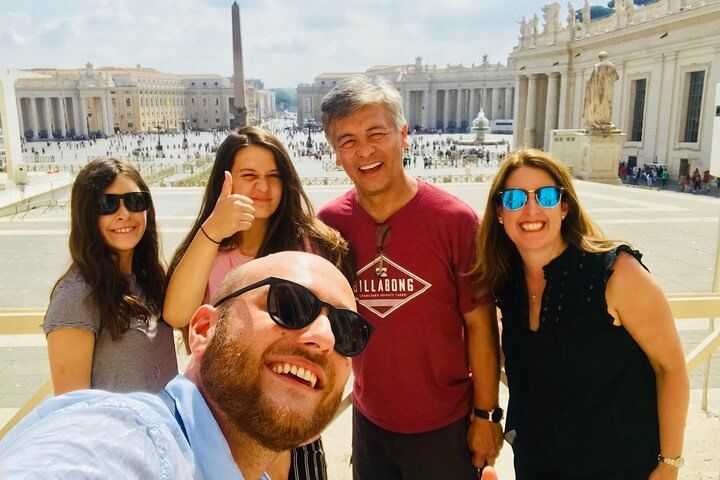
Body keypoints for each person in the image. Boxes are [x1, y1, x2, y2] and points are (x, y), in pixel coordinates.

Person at [1, 252, 372, 479]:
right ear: (204, 329)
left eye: (347, 331)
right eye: (289, 305)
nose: (324, 337)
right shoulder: (121, 439)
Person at [318, 75, 502, 479]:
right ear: (335, 153)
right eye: (347, 141)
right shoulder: (329, 225)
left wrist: (487, 414)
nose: (364, 151)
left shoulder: (455, 221)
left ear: (404, 135)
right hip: (370, 422)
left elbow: (480, 324)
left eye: (376, 134)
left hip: (445, 426)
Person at [470, 149, 689, 479]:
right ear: (500, 212)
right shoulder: (505, 285)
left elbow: (670, 368)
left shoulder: (616, 273)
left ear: (564, 206)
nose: (531, 209)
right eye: (515, 199)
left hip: (620, 468)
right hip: (537, 466)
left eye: (546, 196)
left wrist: (669, 464)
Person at [164, 126, 351, 480]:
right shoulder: (210, 247)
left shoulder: (308, 249)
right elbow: (177, 314)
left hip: (290, 425)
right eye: (249, 176)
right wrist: (212, 230)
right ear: (225, 181)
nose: (263, 188)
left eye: (273, 176)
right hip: (220, 426)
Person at [43, 157, 176, 395]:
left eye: (135, 201)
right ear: (86, 215)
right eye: (107, 204)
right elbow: (72, 405)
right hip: (115, 422)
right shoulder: (76, 298)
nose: (124, 214)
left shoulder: (149, 279)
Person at [582, 51, 619, 129]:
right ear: (606, 57)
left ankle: (598, 121)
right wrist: (609, 80)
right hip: (608, 89)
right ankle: (605, 120)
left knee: (598, 104)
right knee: (607, 104)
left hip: (598, 89)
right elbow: (616, 77)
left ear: (599, 58)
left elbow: (592, 80)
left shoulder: (597, 66)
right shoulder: (612, 66)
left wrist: (588, 87)